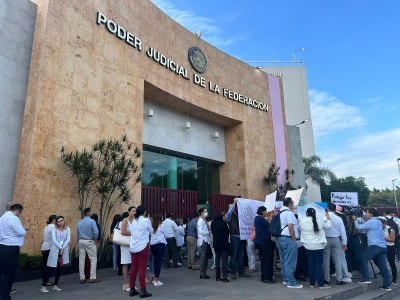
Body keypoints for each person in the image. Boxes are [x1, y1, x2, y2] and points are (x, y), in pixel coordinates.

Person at [353, 208, 391, 291]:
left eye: (367, 213)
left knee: (363, 258)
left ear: (370, 214)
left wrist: (355, 220)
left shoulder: (371, 222)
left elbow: (358, 227)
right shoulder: (377, 221)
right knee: (383, 266)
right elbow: (366, 218)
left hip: (375, 246)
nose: (365, 215)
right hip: (383, 247)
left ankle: (366, 278)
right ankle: (387, 285)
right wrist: (361, 212)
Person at [299, 207, 332, 290]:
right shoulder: (319, 221)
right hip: (319, 246)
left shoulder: (302, 222)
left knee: (310, 265)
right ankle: (321, 284)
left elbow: (299, 229)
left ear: (307, 213)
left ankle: (312, 283)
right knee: (318, 265)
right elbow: (329, 227)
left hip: (308, 246)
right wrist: (328, 218)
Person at [0, 204, 26, 300]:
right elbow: (21, 232)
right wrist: (24, 229)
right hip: (11, 249)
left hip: (2, 247)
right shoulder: (14, 219)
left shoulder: (1, 218)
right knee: (8, 274)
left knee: (2, 273)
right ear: (17, 211)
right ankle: (4, 297)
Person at [276, 197, 302, 288]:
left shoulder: (279, 212)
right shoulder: (289, 214)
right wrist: (294, 239)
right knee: (290, 261)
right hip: (288, 239)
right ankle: (291, 282)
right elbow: (290, 227)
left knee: (283, 260)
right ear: (290, 204)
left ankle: (285, 279)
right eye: (293, 203)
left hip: (280, 238)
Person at [41, 216, 70, 293]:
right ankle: (43, 286)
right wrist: (60, 248)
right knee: (52, 267)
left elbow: (68, 239)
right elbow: (54, 240)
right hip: (56, 249)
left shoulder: (67, 229)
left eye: (62, 220)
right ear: (56, 222)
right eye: (59, 221)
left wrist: (63, 248)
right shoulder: (54, 229)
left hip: (63, 250)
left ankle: (55, 285)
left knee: (60, 267)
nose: (61, 222)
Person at [129, 205, 153, 298]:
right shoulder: (146, 220)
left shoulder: (133, 221)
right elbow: (151, 231)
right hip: (143, 246)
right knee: (142, 268)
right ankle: (143, 290)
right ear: (144, 212)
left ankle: (132, 289)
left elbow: (132, 232)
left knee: (133, 268)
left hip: (133, 247)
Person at [226, 198, 251, 279]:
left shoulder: (238, 215)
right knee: (234, 256)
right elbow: (229, 212)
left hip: (241, 237)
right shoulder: (229, 217)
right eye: (230, 207)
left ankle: (241, 272)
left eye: (233, 207)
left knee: (241, 256)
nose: (232, 208)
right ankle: (233, 272)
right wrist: (234, 203)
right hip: (234, 237)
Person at [323, 203, 347, 285]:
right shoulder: (338, 218)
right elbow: (343, 232)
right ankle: (339, 279)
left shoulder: (323, 218)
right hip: (336, 239)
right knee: (338, 259)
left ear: (328, 209)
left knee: (326, 259)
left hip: (326, 239)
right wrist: (344, 242)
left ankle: (327, 279)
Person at [76, 207, 100, 284]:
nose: (92, 213)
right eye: (91, 212)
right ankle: (92, 278)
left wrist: (78, 242)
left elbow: (77, 235)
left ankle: (82, 278)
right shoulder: (92, 221)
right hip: (89, 241)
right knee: (93, 259)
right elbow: (96, 232)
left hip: (81, 241)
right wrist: (95, 240)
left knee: (81, 260)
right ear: (89, 213)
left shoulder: (79, 223)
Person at [254, 206, 275, 284]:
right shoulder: (260, 219)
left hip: (260, 241)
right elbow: (270, 226)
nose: (267, 213)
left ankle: (264, 276)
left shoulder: (257, 219)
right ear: (262, 212)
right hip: (264, 241)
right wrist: (271, 217)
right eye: (266, 211)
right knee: (267, 260)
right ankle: (267, 278)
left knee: (264, 260)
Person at [377, 218, 397, 285]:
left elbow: (392, 239)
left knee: (392, 263)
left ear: (384, 223)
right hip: (382, 246)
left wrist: (383, 238)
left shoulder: (390, 229)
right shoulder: (379, 229)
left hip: (390, 247)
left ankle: (394, 279)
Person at [211, 210, 230, 282]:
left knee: (217, 260)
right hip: (224, 243)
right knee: (224, 260)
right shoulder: (223, 223)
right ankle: (225, 276)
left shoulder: (213, 223)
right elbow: (227, 232)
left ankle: (217, 276)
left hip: (216, 243)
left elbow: (212, 232)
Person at [335, 206, 352, 283]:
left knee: (341, 257)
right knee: (341, 257)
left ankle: (346, 275)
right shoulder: (343, 218)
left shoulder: (339, 219)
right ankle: (341, 272)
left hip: (341, 240)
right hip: (343, 240)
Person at [120, 207, 136, 292]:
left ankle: (131, 283)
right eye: (133, 211)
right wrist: (132, 234)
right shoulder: (125, 220)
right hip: (126, 245)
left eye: (135, 211)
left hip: (133, 244)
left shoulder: (135, 221)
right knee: (125, 264)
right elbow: (122, 231)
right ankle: (125, 284)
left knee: (133, 264)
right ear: (128, 212)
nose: (134, 213)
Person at [150, 212, 167, 286]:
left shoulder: (151, 226)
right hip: (160, 244)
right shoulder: (162, 226)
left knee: (155, 261)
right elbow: (166, 235)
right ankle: (156, 280)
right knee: (158, 262)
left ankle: (154, 277)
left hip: (153, 245)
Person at [41, 215, 57, 288]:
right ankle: (46, 281)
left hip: (44, 247)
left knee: (45, 265)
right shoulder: (53, 227)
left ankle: (44, 279)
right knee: (50, 265)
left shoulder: (46, 227)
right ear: (53, 220)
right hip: (49, 248)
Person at [198, 208, 211, 279]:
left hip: (206, 240)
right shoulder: (200, 221)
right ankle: (202, 273)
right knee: (203, 257)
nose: (207, 213)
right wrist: (208, 232)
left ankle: (204, 272)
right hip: (203, 240)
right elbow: (201, 231)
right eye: (205, 212)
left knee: (205, 257)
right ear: (202, 213)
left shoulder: (204, 220)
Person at [293, 214, 307, 282]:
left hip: (298, 243)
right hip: (299, 243)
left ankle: (298, 273)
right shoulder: (297, 225)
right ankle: (300, 274)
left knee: (298, 260)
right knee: (301, 260)